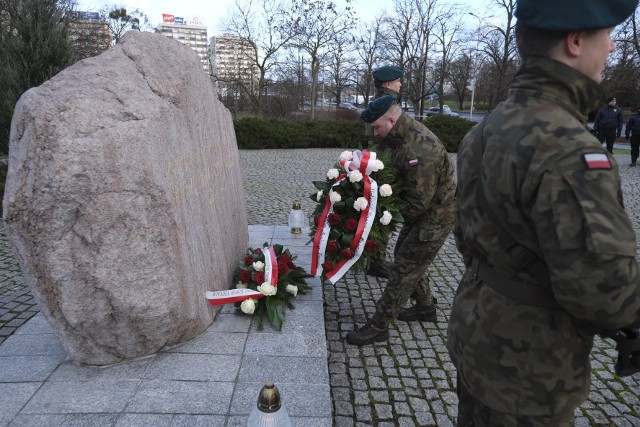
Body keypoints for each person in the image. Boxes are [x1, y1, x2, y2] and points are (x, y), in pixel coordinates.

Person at [448, 0, 640, 425]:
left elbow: (466, 234)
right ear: (575, 41)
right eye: (606, 34)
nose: (611, 46)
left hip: (477, 335)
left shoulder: (487, 128)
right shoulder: (569, 148)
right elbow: (603, 291)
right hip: (531, 369)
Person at [346, 95, 456, 346]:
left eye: (377, 128)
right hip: (423, 212)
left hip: (435, 216)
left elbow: (418, 204)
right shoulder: (398, 138)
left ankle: (379, 326)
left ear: (392, 120)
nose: (374, 134)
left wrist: (379, 217)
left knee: (404, 268)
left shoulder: (419, 149)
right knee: (404, 255)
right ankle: (426, 307)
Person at [365, 65, 405, 278]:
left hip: (376, 162)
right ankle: (376, 261)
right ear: (388, 84)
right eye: (398, 81)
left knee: (376, 210)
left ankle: (373, 258)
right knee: (384, 213)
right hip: (386, 165)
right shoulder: (388, 104)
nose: (400, 84)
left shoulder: (377, 102)